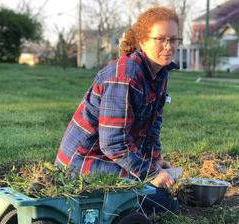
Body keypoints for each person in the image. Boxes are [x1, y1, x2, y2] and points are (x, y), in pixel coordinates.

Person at [54, 6, 182, 215]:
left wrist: (154, 159)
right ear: (143, 41)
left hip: (108, 158)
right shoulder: (125, 76)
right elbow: (113, 143)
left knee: (166, 196)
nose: (168, 47)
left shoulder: (160, 72)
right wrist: (149, 173)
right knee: (162, 201)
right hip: (83, 163)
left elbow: (153, 122)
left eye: (174, 39)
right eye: (160, 39)